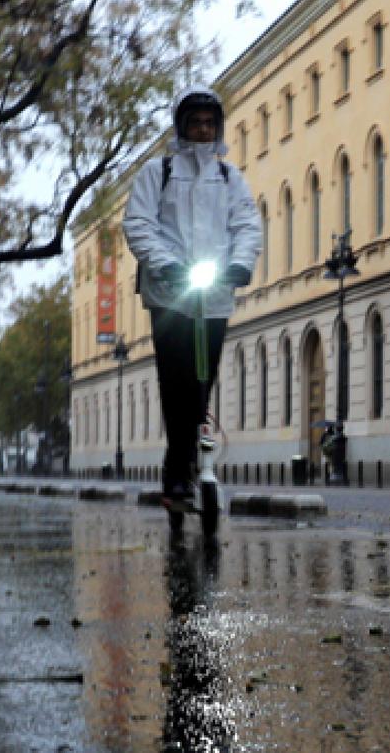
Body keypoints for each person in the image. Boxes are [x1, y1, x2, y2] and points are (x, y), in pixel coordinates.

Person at [122, 86, 262, 505]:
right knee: (176, 382)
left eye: (209, 123)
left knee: (204, 381)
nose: (202, 130)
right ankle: (177, 468)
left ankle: (198, 464)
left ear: (217, 128)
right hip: (170, 295)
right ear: (182, 126)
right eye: (195, 122)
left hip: (214, 294)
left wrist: (241, 263)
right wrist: (165, 263)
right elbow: (139, 223)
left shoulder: (229, 177)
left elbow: (247, 225)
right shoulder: (157, 172)